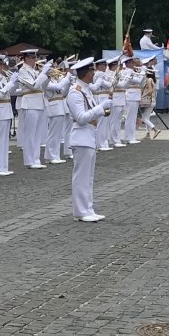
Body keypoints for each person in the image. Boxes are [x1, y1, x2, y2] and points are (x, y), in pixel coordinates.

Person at [66, 58, 111, 222]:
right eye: (92, 71)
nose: (94, 74)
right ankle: (80, 211)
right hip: (81, 137)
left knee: (88, 177)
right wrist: (101, 108)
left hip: (89, 137)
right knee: (81, 177)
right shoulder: (75, 92)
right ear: (86, 73)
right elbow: (81, 117)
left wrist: (103, 109)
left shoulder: (85, 90)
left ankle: (88, 208)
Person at [14, 50, 50, 170]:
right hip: (30, 102)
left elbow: (42, 87)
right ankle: (29, 160)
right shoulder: (23, 71)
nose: (35, 60)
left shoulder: (34, 71)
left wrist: (47, 77)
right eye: (32, 58)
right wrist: (43, 73)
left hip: (39, 102)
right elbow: (33, 85)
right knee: (30, 134)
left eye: (35, 57)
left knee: (37, 134)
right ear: (26, 58)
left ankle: (36, 159)